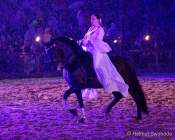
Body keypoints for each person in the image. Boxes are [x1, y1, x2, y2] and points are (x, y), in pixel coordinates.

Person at [80, 14, 129, 113]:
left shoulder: (100, 29)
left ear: (98, 20)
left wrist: (89, 40)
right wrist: (83, 41)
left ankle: (106, 82)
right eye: (91, 19)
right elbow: (85, 39)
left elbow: (98, 41)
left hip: (97, 51)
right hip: (88, 50)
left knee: (97, 66)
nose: (92, 20)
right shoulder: (90, 29)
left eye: (93, 19)